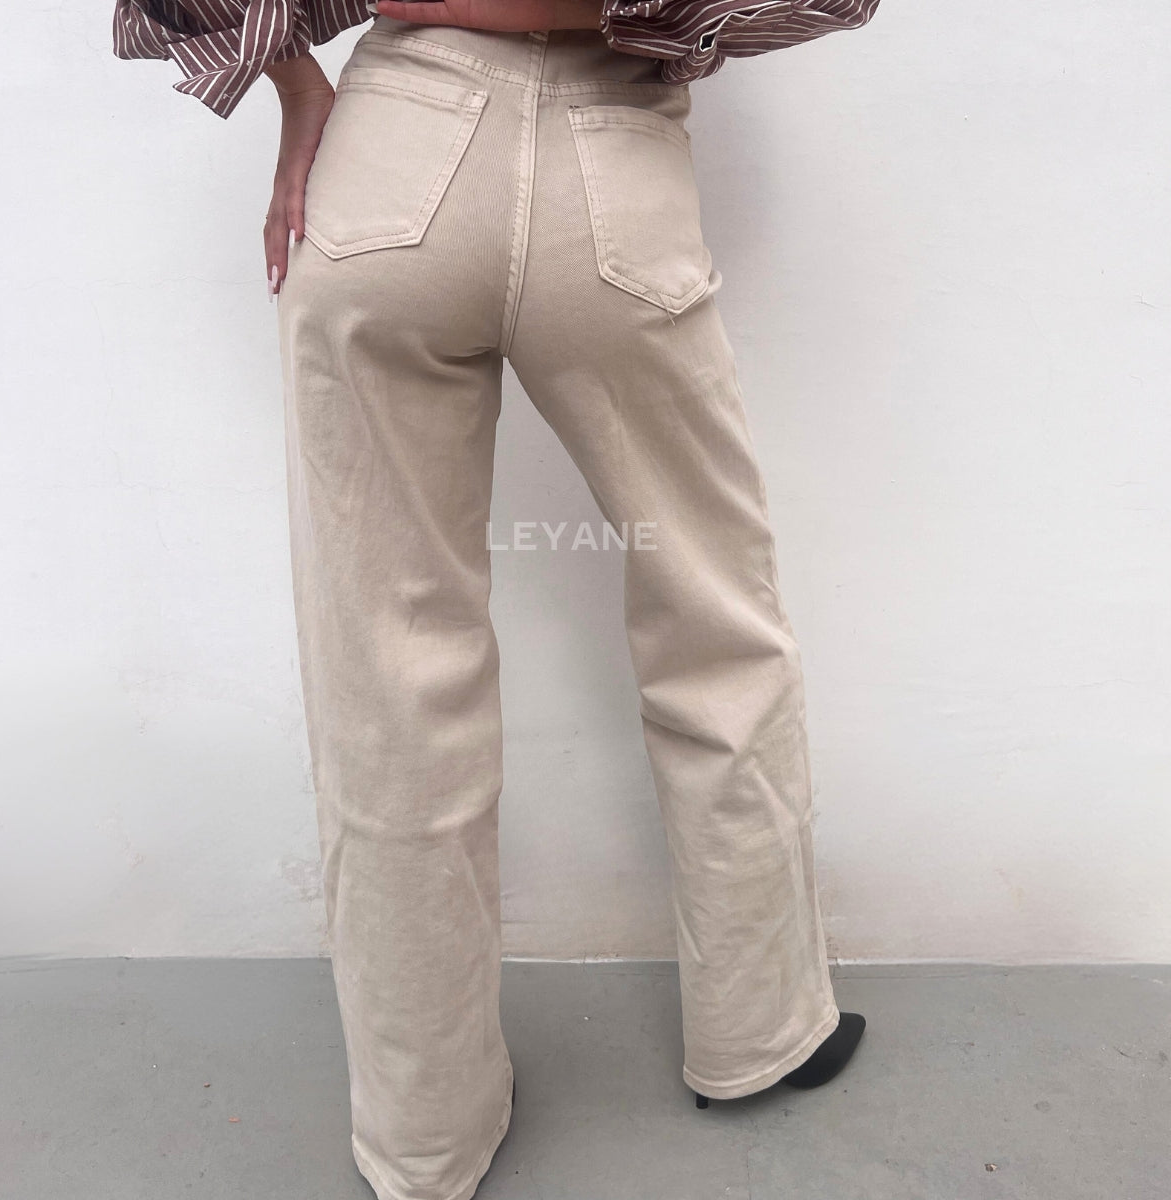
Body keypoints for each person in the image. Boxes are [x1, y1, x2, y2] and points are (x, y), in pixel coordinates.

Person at [112, 3, 881, 1198]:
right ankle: (761, 1030)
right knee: (713, 615)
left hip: (389, 163)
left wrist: (303, 84)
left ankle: (424, 1132)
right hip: (614, 167)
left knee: (387, 663)